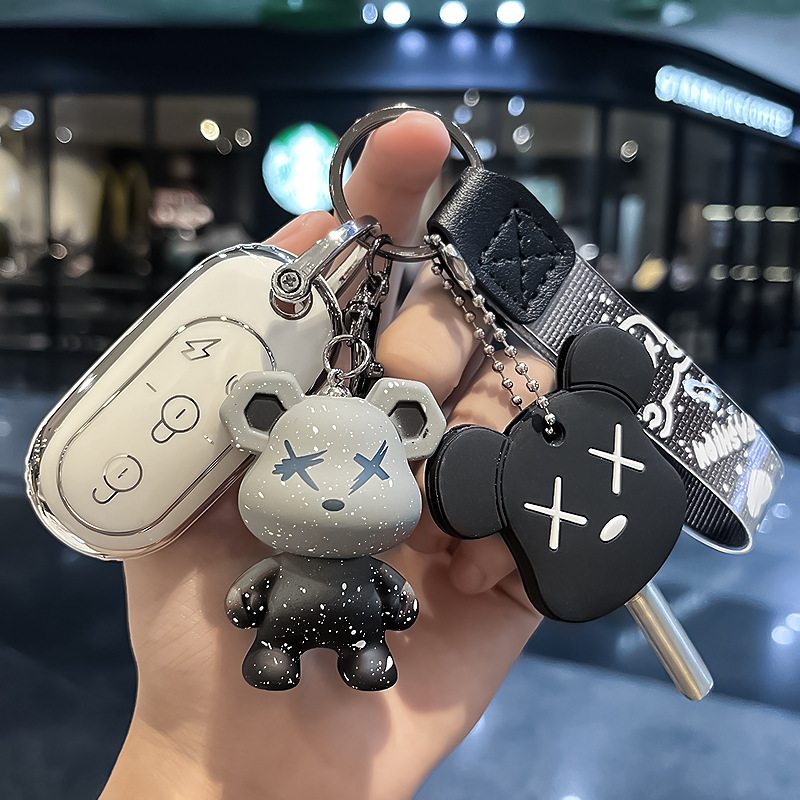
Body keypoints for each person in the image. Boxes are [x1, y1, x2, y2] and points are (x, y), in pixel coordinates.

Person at [100, 111, 553, 800]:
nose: (336, 495)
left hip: (360, 630)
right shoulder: (275, 519)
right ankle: (278, 652)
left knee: (363, 646)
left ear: (411, 430)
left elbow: (387, 593)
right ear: (258, 421)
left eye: (370, 474)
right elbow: (250, 593)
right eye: (300, 471)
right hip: (278, 633)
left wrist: (395, 600)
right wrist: (190, 755)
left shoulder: (372, 547)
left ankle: (359, 655)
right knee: (276, 642)